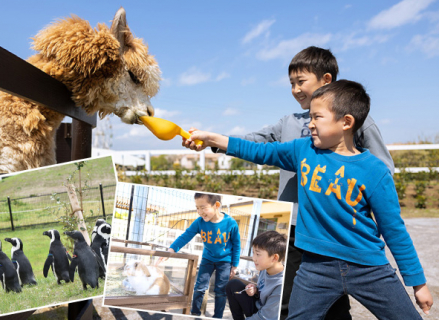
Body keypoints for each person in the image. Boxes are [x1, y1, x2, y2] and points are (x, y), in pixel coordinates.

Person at [185, 80, 433, 319]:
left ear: (346, 122)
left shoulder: (374, 171)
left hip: (368, 267)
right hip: (314, 268)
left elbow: (394, 230)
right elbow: (260, 151)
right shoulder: (303, 150)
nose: (310, 124)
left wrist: (418, 283)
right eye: (310, 117)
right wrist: (212, 139)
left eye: (317, 117)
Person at [156, 193, 241, 318]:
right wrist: (171, 250)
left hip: (225, 261)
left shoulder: (230, 223)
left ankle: (217, 316)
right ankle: (195, 313)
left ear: (216, 205)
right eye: (197, 208)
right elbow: (186, 235)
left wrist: (234, 265)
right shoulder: (199, 222)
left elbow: (236, 244)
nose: (200, 212)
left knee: (220, 291)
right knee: (199, 287)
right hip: (207, 259)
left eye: (203, 207)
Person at [226, 231, 286, 320]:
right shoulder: (264, 269)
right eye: (253, 252)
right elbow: (263, 290)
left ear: (274, 258)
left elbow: (265, 317)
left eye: (257, 254)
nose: (254, 258)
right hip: (257, 308)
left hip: (265, 316)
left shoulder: (280, 285)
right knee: (233, 284)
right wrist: (255, 290)